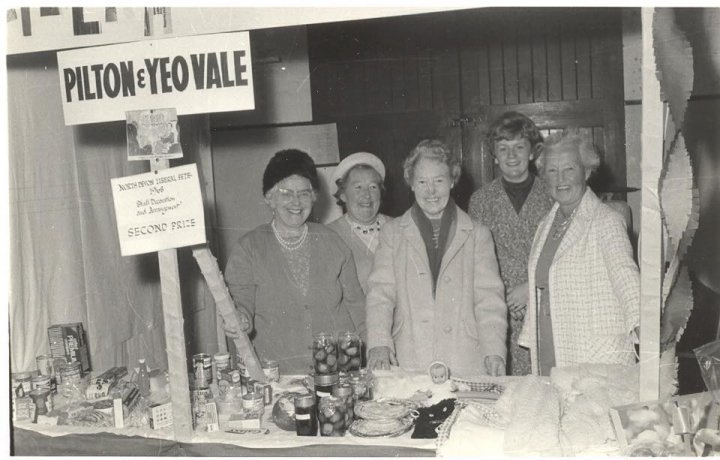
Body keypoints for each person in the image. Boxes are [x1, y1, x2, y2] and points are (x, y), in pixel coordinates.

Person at [366, 139, 507, 377]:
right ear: (411, 184)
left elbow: (489, 300)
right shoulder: (392, 233)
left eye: (439, 181)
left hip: (464, 356)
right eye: (422, 182)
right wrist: (379, 342)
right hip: (409, 355)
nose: (430, 191)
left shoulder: (478, 234)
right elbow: (380, 294)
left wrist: (494, 351)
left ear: (452, 180)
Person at [224, 149, 366, 373]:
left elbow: (357, 305)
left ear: (314, 197)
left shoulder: (332, 241)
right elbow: (241, 302)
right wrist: (239, 317)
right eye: (286, 193)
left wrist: (375, 349)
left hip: (337, 371)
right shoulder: (249, 247)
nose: (296, 202)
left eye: (304, 193)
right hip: (279, 376)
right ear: (269, 197)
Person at [519, 129, 640, 376]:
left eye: (569, 169)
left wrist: (641, 324)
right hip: (551, 342)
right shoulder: (545, 225)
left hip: (594, 352)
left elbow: (625, 275)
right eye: (552, 170)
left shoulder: (606, 220)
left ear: (586, 171)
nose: (560, 178)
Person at [468, 111, 553, 376]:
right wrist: (503, 300)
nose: (511, 155)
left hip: (546, 302)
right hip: (499, 308)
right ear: (494, 156)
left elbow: (565, 253)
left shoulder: (552, 194)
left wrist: (532, 288)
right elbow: (476, 263)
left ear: (532, 153)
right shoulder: (480, 200)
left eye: (519, 147)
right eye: (503, 149)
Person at [327, 152, 391, 295]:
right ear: (343, 195)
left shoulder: (399, 228)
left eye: (373, 187)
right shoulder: (329, 236)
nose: (367, 195)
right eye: (358, 187)